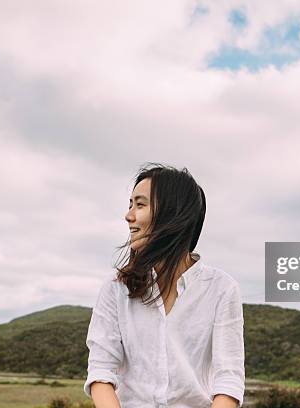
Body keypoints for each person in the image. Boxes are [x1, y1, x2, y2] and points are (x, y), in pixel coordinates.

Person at [83, 163, 245, 408]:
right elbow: (101, 371)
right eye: (130, 205)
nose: (129, 216)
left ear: (171, 213)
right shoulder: (116, 288)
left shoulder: (222, 289)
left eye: (140, 204)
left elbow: (228, 380)